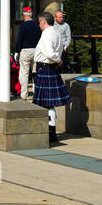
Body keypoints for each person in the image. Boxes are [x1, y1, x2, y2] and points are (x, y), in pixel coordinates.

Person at [32, 12, 70, 143]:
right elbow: (58, 49)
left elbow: (50, 52)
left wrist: (57, 59)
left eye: (39, 22)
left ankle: (49, 133)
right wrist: (57, 59)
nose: (39, 24)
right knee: (50, 104)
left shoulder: (47, 34)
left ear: (43, 22)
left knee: (46, 104)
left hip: (45, 68)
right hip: (51, 69)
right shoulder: (56, 32)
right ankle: (51, 132)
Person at [14, 6, 40, 100]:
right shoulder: (37, 25)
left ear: (24, 15)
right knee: (35, 72)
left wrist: (16, 51)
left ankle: (24, 95)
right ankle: (36, 93)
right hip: (36, 51)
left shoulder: (23, 26)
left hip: (25, 51)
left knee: (24, 73)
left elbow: (19, 39)